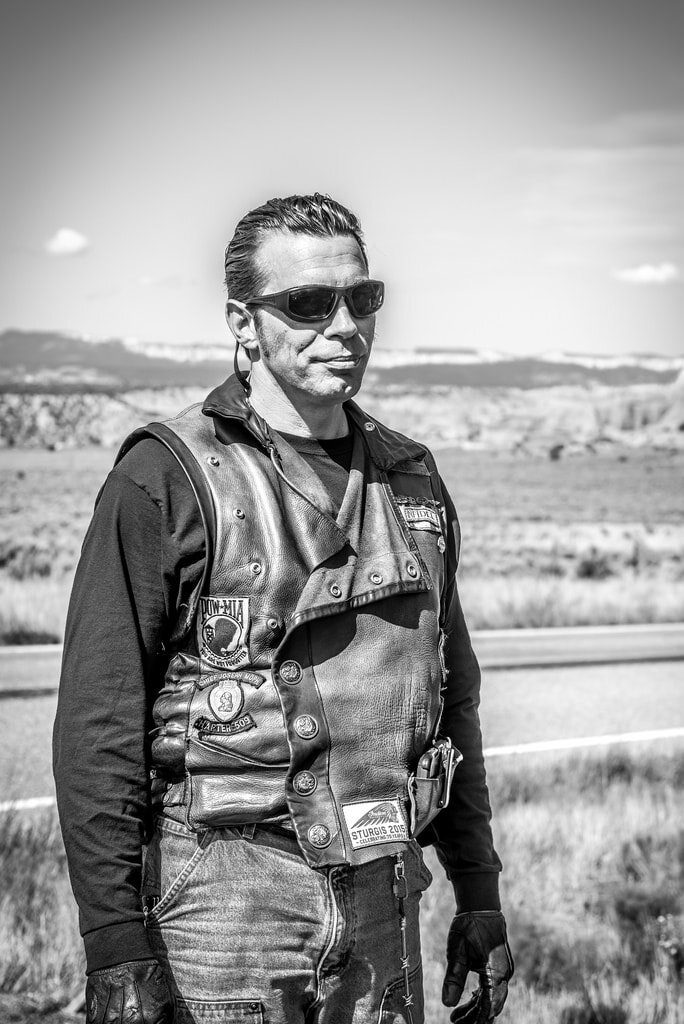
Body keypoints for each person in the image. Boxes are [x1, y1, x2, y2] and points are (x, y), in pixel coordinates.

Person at [54, 193, 513, 1024]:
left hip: (385, 896)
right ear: (244, 321)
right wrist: (114, 940)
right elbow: (99, 722)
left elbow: (454, 696)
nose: (345, 326)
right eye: (308, 303)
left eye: (362, 298)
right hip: (223, 908)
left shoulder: (411, 479)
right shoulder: (166, 477)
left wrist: (478, 891)